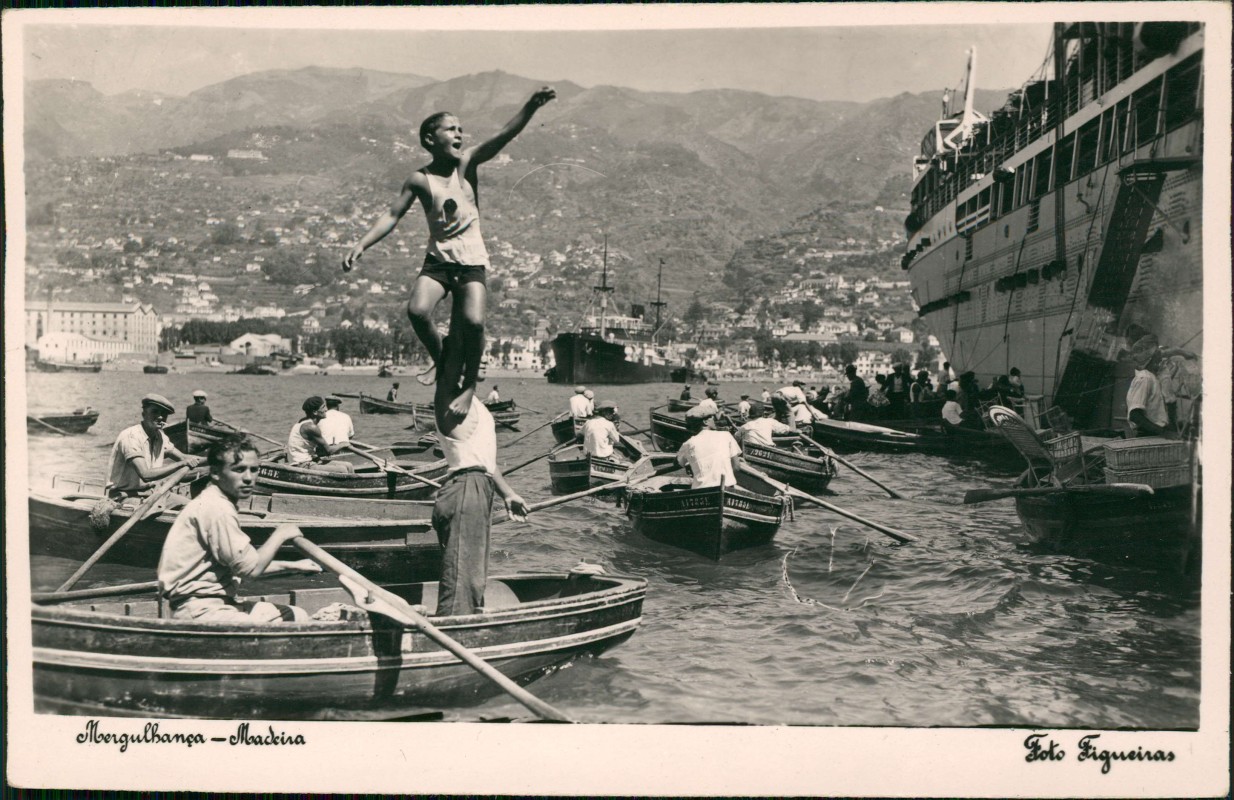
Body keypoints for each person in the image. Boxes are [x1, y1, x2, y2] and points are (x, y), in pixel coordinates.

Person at [343, 88, 557, 427]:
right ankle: (443, 360)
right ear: (430, 138)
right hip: (438, 261)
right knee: (416, 311)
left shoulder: (466, 165)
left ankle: (469, 386)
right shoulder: (419, 179)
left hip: (471, 261)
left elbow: (505, 135)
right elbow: (391, 215)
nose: (459, 133)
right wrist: (361, 244)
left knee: (473, 323)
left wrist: (531, 106)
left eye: (461, 128)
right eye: (450, 129)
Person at [156, 434, 322, 623]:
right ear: (216, 472)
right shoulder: (218, 509)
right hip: (199, 611)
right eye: (239, 470)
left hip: (205, 604)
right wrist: (281, 534)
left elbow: (240, 563)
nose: (248, 478)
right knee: (297, 623)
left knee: (296, 615)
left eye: (254, 470)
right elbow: (249, 570)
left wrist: (293, 565)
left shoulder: (213, 501)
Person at [432, 333, 529, 616]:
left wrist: (508, 494)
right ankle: (452, 641)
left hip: (479, 486)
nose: (482, 359)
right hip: (465, 489)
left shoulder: (477, 406)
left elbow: (486, 460)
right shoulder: (450, 396)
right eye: (476, 355)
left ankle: (464, 625)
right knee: (462, 578)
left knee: (472, 576)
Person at [106, 394, 203, 498]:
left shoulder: (161, 436)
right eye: (155, 412)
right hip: (123, 496)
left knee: (187, 507)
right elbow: (146, 474)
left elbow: (184, 457)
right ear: (144, 414)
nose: (160, 417)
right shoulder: (131, 436)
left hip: (150, 494)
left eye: (164, 414)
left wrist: (214, 459)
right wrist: (181, 464)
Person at [676, 406, 745, 489]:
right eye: (712, 418)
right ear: (705, 422)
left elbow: (677, 463)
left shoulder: (688, 444)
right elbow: (736, 467)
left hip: (701, 490)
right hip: (727, 486)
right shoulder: (726, 435)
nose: (715, 421)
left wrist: (690, 463)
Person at [288, 396, 355, 473]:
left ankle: (352, 485)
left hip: (311, 460)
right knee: (342, 470)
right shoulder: (311, 427)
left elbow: (322, 449)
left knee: (348, 465)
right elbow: (328, 451)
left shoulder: (308, 422)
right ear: (315, 412)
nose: (326, 410)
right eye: (323, 407)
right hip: (301, 464)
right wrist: (343, 444)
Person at [1126, 337, 1174, 438]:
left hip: (1154, 433)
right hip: (1147, 434)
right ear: (1149, 358)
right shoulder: (1145, 378)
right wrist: (1162, 432)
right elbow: (1135, 415)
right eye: (1157, 355)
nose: (1161, 358)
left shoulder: (1153, 377)